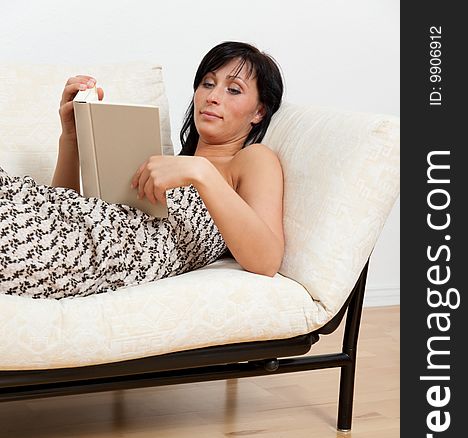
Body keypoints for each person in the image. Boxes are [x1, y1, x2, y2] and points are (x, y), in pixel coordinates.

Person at [0, 41, 284, 300]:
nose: (213, 96)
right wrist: (72, 138)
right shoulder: (161, 163)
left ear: (259, 112)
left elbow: (267, 260)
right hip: (65, 230)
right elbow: (64, 206)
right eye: (208, 84)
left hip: (91, 258)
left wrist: (202, 172)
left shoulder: (250, 160)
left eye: (233, 90)